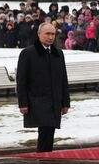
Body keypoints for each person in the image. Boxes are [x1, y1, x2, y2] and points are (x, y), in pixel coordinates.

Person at [16, 23, 70, 152]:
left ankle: (45, 157)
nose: (50, 37)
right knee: (45, 129)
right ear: (39, 34)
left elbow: (63, 79)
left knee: (49, 130)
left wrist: (65, 102)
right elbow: (21, 80)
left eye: (53, 34)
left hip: (54, 99)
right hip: (37, 99)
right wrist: (22, 103)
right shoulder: (28, 53)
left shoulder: (58, 53)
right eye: (47, 34)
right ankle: (43, 157)